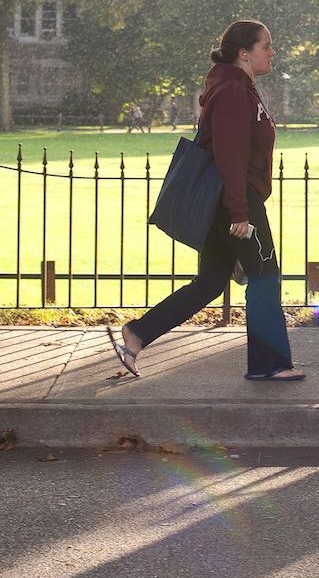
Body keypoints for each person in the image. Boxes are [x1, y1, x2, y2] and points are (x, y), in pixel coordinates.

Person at [108, 21, 303, 382]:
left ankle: (137, 334)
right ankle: (270, 364)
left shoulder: (237, 86)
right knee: (264, 276)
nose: (272, 52)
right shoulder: (231, 90)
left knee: (211, 281)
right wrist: (240, 212)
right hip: (236, 199)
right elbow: (230, 156)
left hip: (226, 199)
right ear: (244, 53)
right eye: (267, 46)